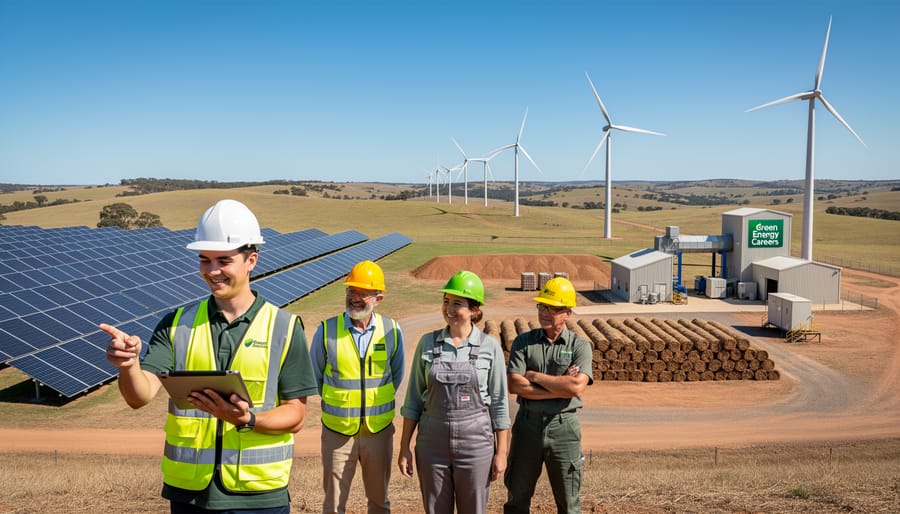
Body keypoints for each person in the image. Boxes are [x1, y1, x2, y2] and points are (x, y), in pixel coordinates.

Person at [100, 198, 318, 513]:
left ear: (251, 260)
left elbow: (295, 415)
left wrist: (247, 419)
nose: (212, 271)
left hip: (259, 498)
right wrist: (129, 365)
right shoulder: (176, 324)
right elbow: (140, 395)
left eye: (223, 260)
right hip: (190, 495)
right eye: (204, 260)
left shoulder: (283, 327)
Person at [398, 270, 510, 514]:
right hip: (432, 445)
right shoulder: (427, 344)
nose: (448, 309)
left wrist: (501, 453)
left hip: (476, 445)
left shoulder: (490, 348)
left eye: (457, 303)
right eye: (445, 301)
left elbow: (500, 404)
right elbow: (414, 400)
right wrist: (404, 446)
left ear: (474, 310)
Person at [309, 260, 405, 514]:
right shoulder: (326, 330)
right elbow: (316, 376)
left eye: (362, 293)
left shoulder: (392, 331)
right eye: (351, 291)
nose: (354, 298)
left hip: (379, 431)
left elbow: (395, 376)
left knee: (379, 503)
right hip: (338, 433)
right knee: (333, 505)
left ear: (379, 297)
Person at [503, 277, 593, 514]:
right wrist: (559, 388)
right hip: (527, 425)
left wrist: (533, 375)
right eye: (542, 306)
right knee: (517, 497)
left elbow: (576, 387)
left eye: (553, 308)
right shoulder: (523, 342)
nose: (545, 312)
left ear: (568, 313)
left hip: (564, 428)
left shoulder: (580, 346)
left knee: (569, 501)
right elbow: (514, 384)